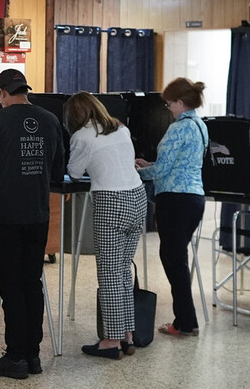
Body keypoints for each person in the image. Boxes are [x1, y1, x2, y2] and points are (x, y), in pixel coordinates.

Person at [0, 69, 64, 379]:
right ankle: (33, 356)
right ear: (25, 90)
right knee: (32, 282)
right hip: (39, 213)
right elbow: (57, 170)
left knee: (11, 285)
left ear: (1, 93)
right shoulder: (50, 119)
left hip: (8, 214)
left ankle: (15, 357)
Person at [64, 92, 147, 359]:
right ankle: (127, 335)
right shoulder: (121, 128)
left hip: (112, 201)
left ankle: (111, 341)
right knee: (123, 270)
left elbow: (75, 173)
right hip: (138, 197)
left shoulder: (82, 136)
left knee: (109, 273)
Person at [136, 77, 208, 337]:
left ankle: (185, 323)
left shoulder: (178, 129)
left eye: (168, 104)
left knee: (173, 261)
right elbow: (177, 165)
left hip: (175, 200)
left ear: (179, 102)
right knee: (177, 260)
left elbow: (163, 169)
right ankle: (187, 320)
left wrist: (137, 171)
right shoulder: (200, 125)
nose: (168, 109)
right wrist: (150, 166)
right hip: (194, 198)